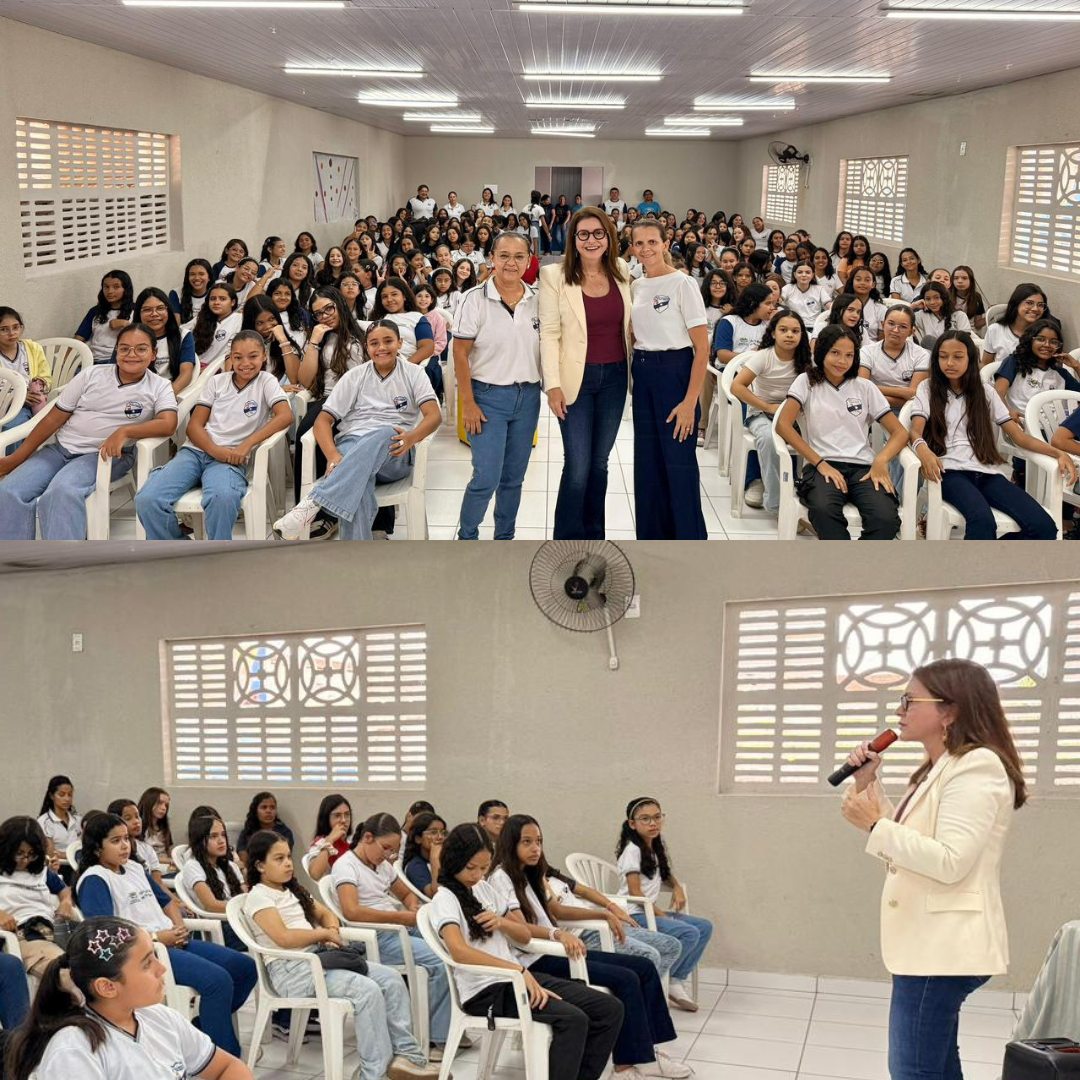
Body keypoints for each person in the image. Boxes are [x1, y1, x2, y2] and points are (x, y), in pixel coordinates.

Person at [839, 659, 1028, 1080]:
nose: (899, 710)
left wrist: (874, 827)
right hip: (929, 943)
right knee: (936, 1066)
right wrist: (868, 782)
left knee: (913, 1071)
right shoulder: (938, 769)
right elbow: (911, 842)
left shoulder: (976, 766)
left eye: (910, 700)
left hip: (943, 946)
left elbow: (949, 861)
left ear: (950, 710)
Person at [490, 814, 689, 1080]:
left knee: (644, 967)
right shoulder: (502, 877)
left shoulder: (530, 872)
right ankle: (625, 1066)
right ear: (510, 843)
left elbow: (557, 910)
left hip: (553, 950)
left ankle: (648, 1053)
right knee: (626, 978)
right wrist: (558, 934)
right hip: (537, 958)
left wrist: (604, 913)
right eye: (527, 842)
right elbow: (520, 929)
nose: (535, 848)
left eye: (538, 841)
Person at [432, 823, 624, 1080]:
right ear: (454, 861)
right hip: (485, 991)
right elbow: (459, 952)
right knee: (573, 1020)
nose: (477, 875)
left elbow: (522, 935)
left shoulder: (483, 889)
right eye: (471, 868)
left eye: (484, 868)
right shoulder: (445, 898)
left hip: (514, 978)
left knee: (609, 1008)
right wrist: (518, 970)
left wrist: (501, 922)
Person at [243, 830, 440, 1080]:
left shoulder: (292, 890)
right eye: (279, 859)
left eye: (289, 857)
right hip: (291, 970)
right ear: (260, 865)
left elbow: (327, 914)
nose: (288, 863)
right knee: (367, 991)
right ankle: (373, 1074)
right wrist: (323, 934)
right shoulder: (259, 897)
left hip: (317, 958)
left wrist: (332, 931)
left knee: (390, 979)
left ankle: (407, 1058)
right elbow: (284, 938)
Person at [74, 812, 256, 1058]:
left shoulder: (134, 868)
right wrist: (157, 938)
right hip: (143, 954)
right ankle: (224, 1057)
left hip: (172, 941)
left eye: (126, 839)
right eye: (115, 841)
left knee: (245, 968)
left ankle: (201, 1029)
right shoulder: (95, 879)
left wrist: (179, 928)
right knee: (218, 981)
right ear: (97, 847)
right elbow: (105, 935)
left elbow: (167, 902)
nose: (125, 845)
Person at [4, 916, 253, 1080]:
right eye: (147, 964)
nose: (161, 969)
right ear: (107, 987)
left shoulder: (160, 1018)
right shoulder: (73, 1050)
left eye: (155, 957)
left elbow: (227, 1067)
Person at [0, 324, 178, 541]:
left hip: (103, 455)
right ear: (116, 351)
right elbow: (53, 418)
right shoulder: (91, 374)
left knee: (61, 492)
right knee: (9, 491)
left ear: (153, 354)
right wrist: (17, 458)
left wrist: (125, 431)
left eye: (141, 349)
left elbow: (168, 423)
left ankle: (62, 560)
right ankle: (15, 557)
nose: (131, 355)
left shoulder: (159, 386)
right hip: (60, 450)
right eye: (124, 348)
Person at [274, 319, 441, 541]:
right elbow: (323, 421)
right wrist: (332, 455)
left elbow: (434, 415)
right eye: (374, 343)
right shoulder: (354, 376)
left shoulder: (414, 373)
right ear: (366, 347)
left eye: (388, 341)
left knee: (385, 433)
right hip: (351, 448)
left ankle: (315, 502)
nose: (381, 348)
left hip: (395, 451)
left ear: (399, 343)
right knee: (358, 484)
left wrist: (412, 437)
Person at [910, 331, 1073, 540]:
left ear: (970, 359)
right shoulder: (928, 388)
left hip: (987, 471)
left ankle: (990, 559)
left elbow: (1019, 437)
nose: (949, 363)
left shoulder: (985, 391)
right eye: (943, 356)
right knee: (983, 521)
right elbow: (915, 430)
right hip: (948, 471)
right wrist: (924, 451)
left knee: (1044, 527)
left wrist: (1057, 453)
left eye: (958, 357)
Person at [134, 330, 292, 541]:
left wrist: (246, 445)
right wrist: (215, 450)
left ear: (264, 356)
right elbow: (194, 427)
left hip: (231, 459)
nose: (245, 363)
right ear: (230, 358)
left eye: (253, 356)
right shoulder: (217, 382)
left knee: (222, 498)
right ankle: (177, 549)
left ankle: (218, 554)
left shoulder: (266, 381)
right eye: (238, 357)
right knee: (148, 499)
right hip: (195, 452)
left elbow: (285, 415)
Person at [539, 208, 631, 540]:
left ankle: (594, 538)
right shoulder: (554, 275)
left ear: (609, 237)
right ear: (573, 240)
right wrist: (552, 385)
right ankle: (566, 541)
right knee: (578, 466)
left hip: (615, 378)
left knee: (599, 464)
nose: (591, 240)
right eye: (583, 234)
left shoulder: (620, 269)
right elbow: (549, 333)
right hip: (575, 380)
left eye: (598, 233)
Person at [330, 812, 452, 1058]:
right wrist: (401, 918)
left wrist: (412, 908)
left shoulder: (382, 866)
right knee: (440, 961)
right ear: (367, 837)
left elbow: (407, 894)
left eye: (392, 850)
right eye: (385, 848)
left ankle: (440, 1023)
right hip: (375, 936)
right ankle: (434, 1036)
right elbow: (352, 911)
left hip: (396, 927)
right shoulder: (346, 865)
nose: (387, 855)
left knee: (450, 944)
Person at [775, 325, 907, 540]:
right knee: (823, 511)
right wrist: (819, 463)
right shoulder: (806, 381)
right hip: (822, 465)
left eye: (849, 355)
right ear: (822, 351)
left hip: (864, 467)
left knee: (885, 519)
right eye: (835, 353)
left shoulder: (865, 387)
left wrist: (881, 460)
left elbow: (900, 433)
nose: (842, 361)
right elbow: (783, 425)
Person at [454, 232, 541, 540]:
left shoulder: (538, 299)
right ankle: (467, 539)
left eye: (519, 256)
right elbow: (460, 354)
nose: (511, 263)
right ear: (491, 258)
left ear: (529, 261)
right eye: (503, 255)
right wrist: (468, 404)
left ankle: (505, 539)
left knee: (513, 479)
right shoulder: (474, 299)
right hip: (487, 398)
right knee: (486, 477)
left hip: (528, 398)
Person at [628, 218, 709, 539]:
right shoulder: (635, 286)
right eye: (639, 243)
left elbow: (702, 349)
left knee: (678, 465)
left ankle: (689, 542)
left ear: (665, 244)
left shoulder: (682, 284)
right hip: (644, 373)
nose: (646, 248)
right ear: (632, 248)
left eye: (652, 242)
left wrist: (690, 402)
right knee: (648, 465)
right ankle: (652, 541)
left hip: (675, 372)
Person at [616, 798, 712, 1013]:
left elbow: (665, 874)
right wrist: (661, 914)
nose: (653, 823)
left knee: (704, 927)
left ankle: (675, 979)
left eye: (657, 817)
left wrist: (676, 887)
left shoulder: (654, 845)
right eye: (645, 819)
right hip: (633, 914)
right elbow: (635, 894)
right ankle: (665, 981)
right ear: (632, 823)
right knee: (688, 933)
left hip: (648, 911)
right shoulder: (632, 850)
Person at [0, 307, 51, 449]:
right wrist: (17, 397)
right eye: (4, 329)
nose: (12, 333)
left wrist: (39, 384)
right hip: (4, 404)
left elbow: (45, 375)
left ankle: (13, 461)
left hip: (27, 404)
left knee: (13, 428)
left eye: (16, 327)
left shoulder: (33, 349)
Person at [237, 791, 294, 865]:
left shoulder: (284, 832)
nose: (268, 811)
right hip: (253, 869)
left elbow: (283, 856)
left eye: (272, 807)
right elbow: (243, 858)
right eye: (264, 807)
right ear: (255, 811)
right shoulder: (247, 832)